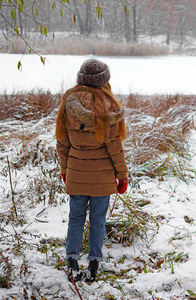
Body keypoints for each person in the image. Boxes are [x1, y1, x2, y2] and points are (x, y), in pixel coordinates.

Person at [55, 59, 129, 282]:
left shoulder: (69, 102)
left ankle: (72, 261)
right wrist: (122, 175)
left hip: (77, 172)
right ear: (104, 80)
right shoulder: (110, 106)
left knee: (75, 218)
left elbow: (62, 142)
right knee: (98, 221)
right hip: (103, 176)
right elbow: (115, 148)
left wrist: (65, 169)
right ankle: (94, 263)